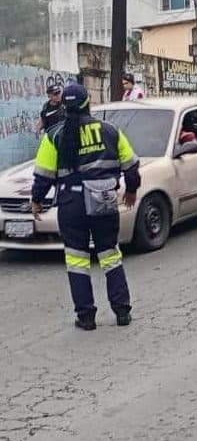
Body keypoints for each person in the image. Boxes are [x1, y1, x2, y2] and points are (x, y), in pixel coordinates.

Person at [31, 84, 141, 331]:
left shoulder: (54, 135)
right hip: (104, 200)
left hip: (71, 205)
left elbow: (43, 176)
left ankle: (86, 316)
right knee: (110, 255)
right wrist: (131, 190)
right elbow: (131, 167)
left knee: (77, 260)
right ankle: (122, 311)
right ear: (88, 103)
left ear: (64, 106)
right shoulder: (110, 130)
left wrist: (36, 200)